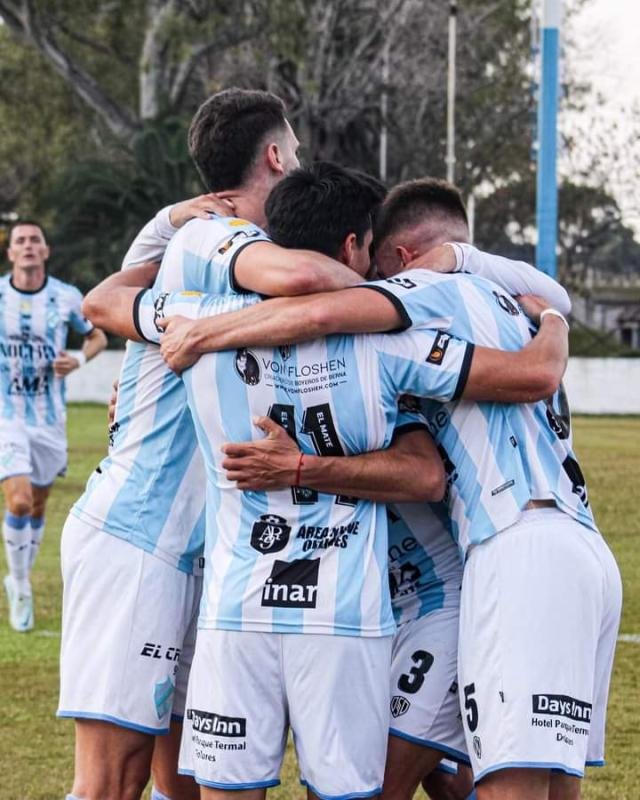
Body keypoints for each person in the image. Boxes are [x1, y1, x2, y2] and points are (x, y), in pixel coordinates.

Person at [158, 176, 621, 800]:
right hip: (575, 545)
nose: (370, 280)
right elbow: (549, 308)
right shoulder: (513, 295)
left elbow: (320, 309)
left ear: (399, 259)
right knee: (546, 781)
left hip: (515, 548)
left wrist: (201, 333)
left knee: (493, 784)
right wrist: (556, 321)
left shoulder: (429, 296)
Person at [59, 89, 403, 800]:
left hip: (205, 559)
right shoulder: (214, 236)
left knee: (182, 779)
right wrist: (402, 299)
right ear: (275, 157)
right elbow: (307, 278)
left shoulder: (212, 250)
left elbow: (109, 302)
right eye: (297, 153)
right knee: (107, 786)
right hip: (139, 540)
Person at [0, 220, 106, 632]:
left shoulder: (66, 297)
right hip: (7, 417)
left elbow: (95, 335)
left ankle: (19, 574)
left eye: (34, 240)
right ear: (10, 253)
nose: (27, 246)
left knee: (40, 505)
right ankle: (21, 583)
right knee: (20, 501)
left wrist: (78, 360)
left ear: (46, 250)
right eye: (19, 241)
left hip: (49, 419)